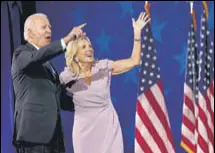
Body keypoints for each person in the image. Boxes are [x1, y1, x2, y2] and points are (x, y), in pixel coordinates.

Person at [59, 11, 150, 153]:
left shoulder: (102, 67)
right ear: (75, 56)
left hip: (108, 129)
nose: (89, 49)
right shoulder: (68, 76)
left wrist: (137, 32)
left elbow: (134, 61)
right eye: (84, 47)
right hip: (84, 133)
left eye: (89, 46)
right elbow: (51, 93)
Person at [11, 13, 87, 153]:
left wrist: (87, 105)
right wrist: (67, 39)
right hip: (34, 137)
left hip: (54, 137)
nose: (49, 31)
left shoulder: (48, 65)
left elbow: (58, 97)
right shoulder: (21, 54)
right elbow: (37, 57)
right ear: (30, 33)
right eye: (44, 27)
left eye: (50, 27)